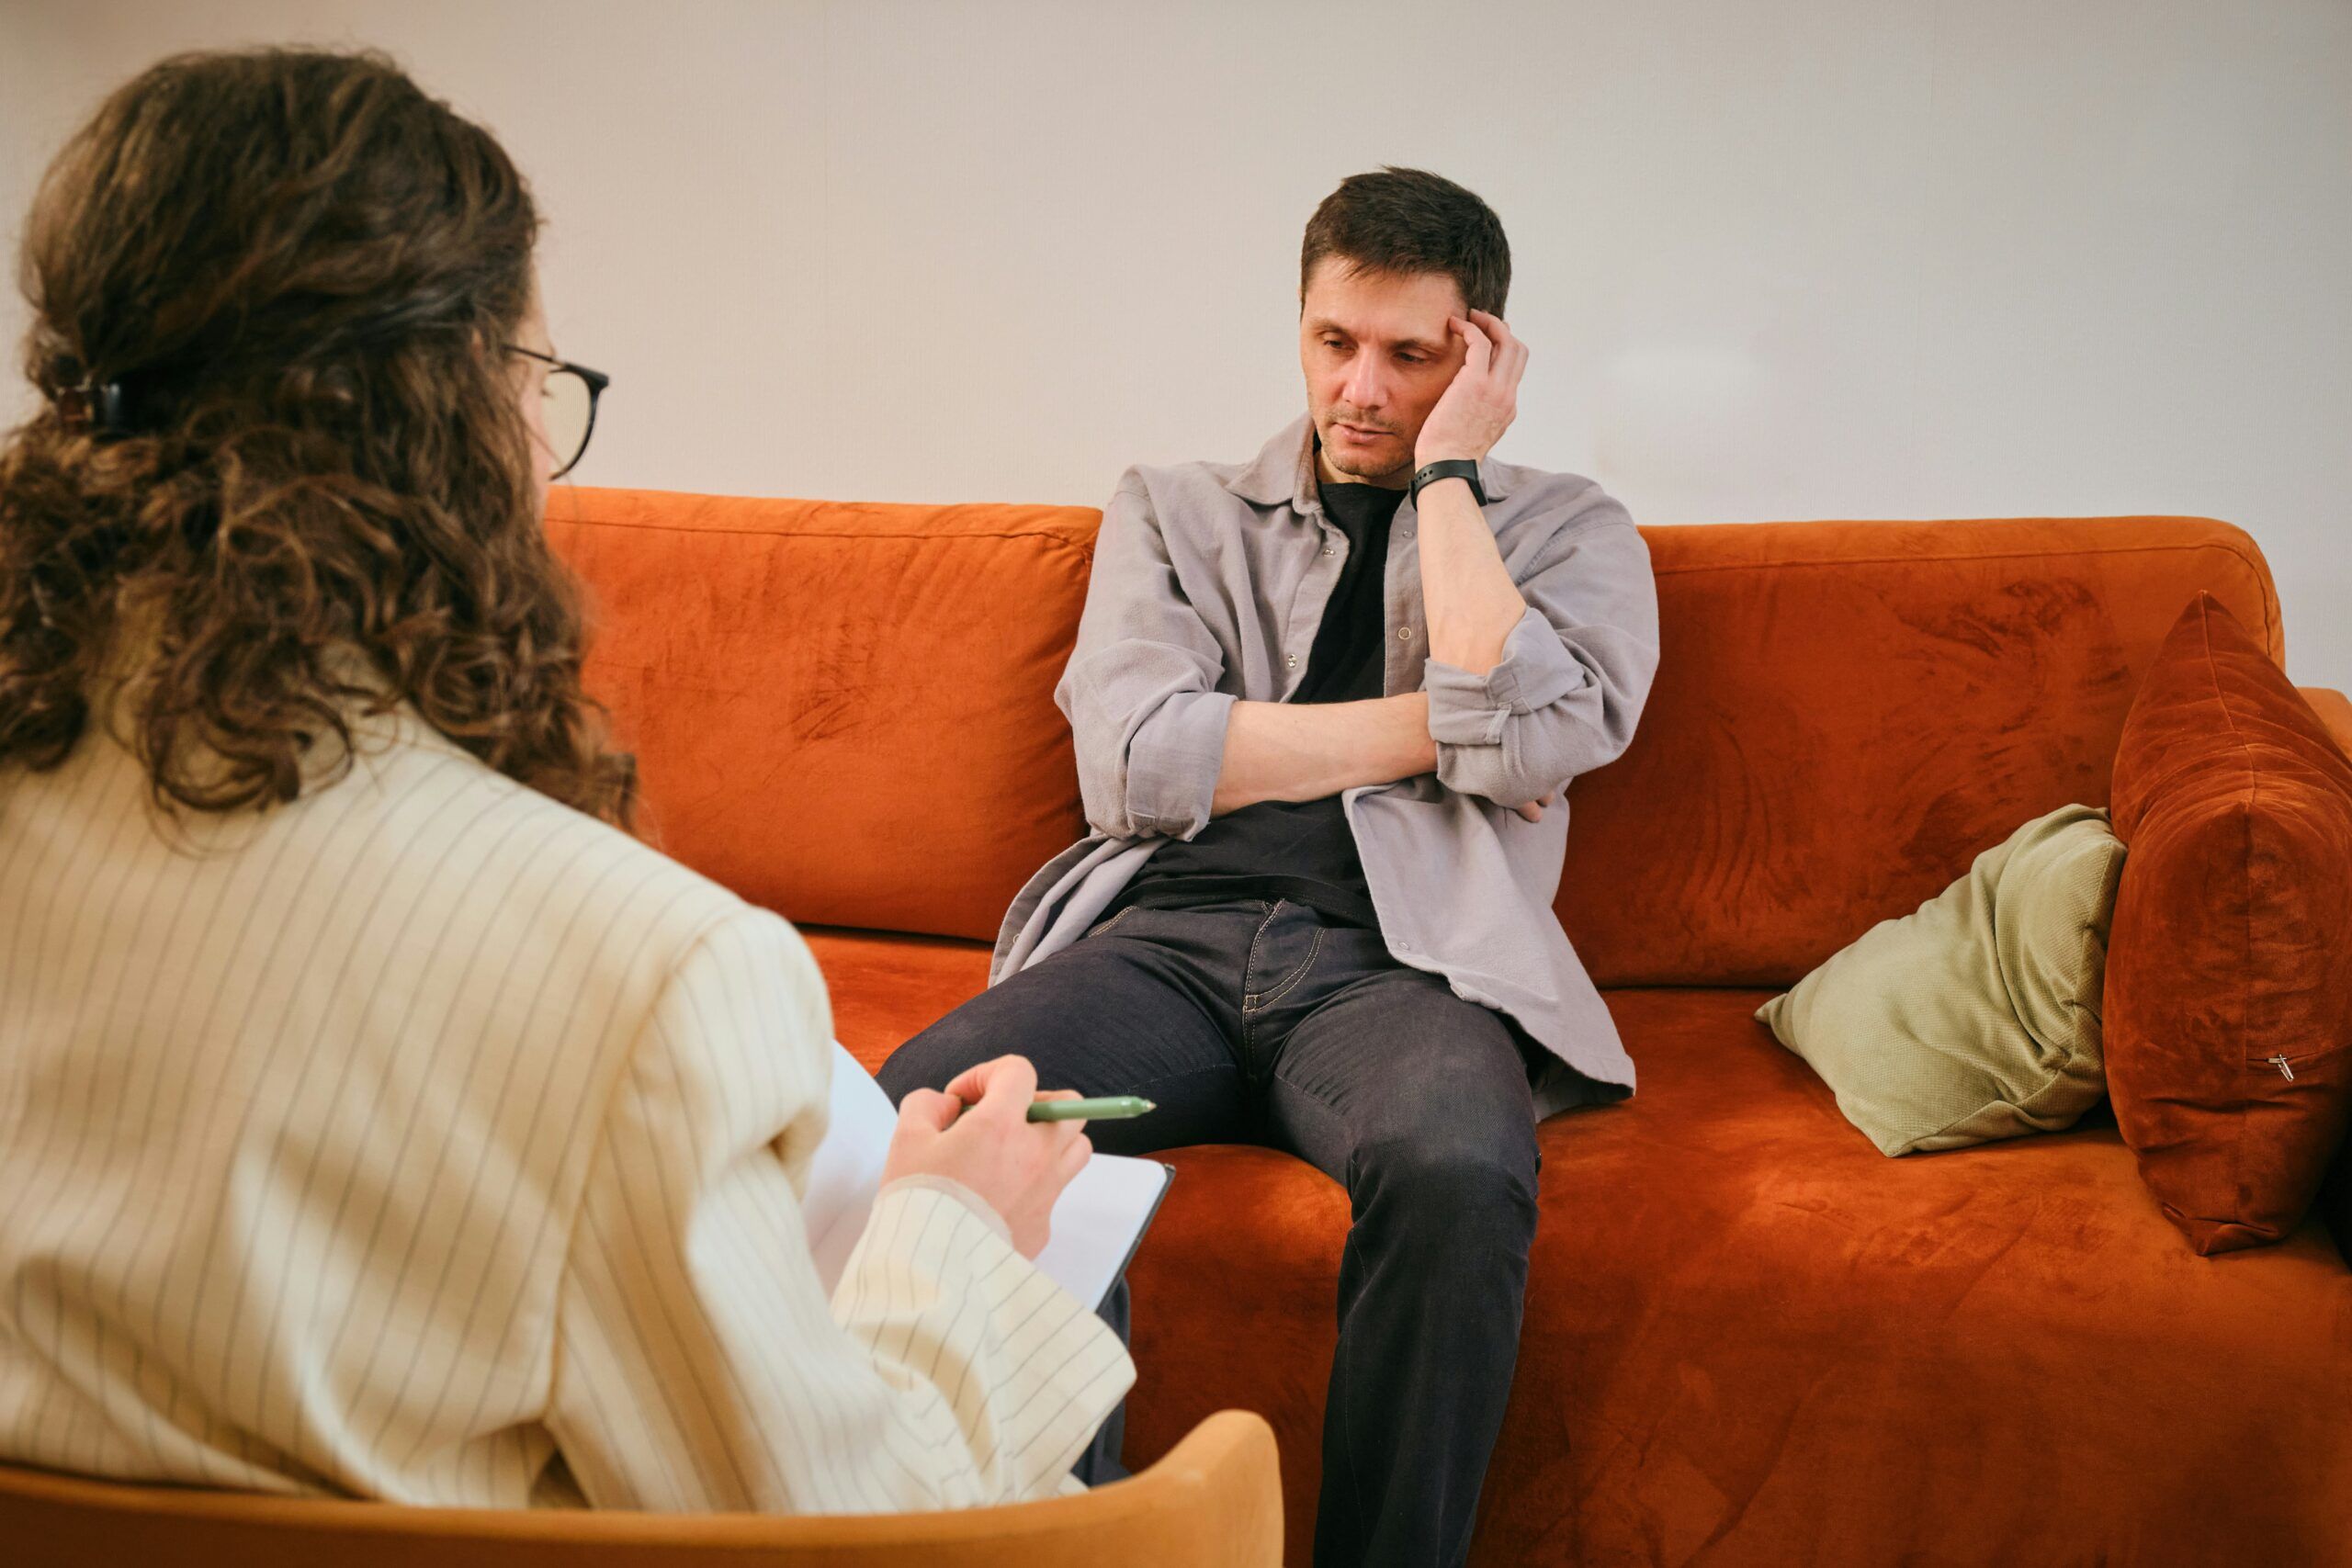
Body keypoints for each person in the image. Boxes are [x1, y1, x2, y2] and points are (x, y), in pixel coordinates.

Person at [0, 46, 1127, 1512]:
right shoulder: (649, 980)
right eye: (536, 379)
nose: (551, 447)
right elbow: (844, 1531)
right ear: (444, 415)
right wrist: (948, 1233)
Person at [880, 166, 1661, 1566]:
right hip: (1161, 939)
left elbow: (1555, 733)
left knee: (1458, 1167)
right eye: (1332, 342)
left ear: (1481, 355)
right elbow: (1132, 763)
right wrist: (1445, 732)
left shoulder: (1568, 530)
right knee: (941, 1110)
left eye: (1411, 357)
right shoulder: (1177, 510)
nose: (1359, 388)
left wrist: (1448, 485)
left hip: (1404, 966)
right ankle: (1073, 1539)